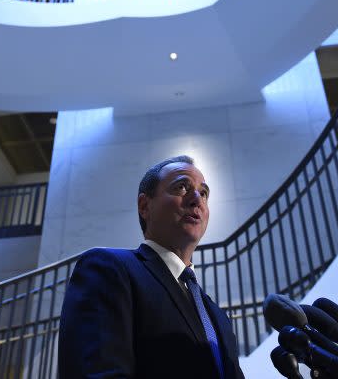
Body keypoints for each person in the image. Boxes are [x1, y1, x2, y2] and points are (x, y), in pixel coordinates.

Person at [58, 155, 245, 378]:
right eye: (182, 187)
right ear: (145, 206)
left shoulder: (216, 315)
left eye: (203, 192)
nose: (197, 199)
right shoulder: (109, 269)